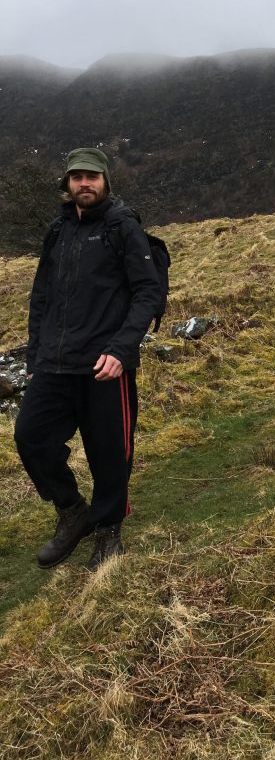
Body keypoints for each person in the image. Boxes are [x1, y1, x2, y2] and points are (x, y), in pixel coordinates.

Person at [14, 147, 162, 570]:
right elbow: (41, 296)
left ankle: (108, 530)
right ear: (67, 184)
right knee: (31, 438)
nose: (85, 184)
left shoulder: (121, 226)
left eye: (92, 177)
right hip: (54, 364)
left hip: (105, 366)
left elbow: (148, 292)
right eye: (77, 177)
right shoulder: (58, 229)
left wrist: (121, 350)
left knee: (109, 454)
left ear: (105, 182)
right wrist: (34, 352)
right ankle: (71, 510)